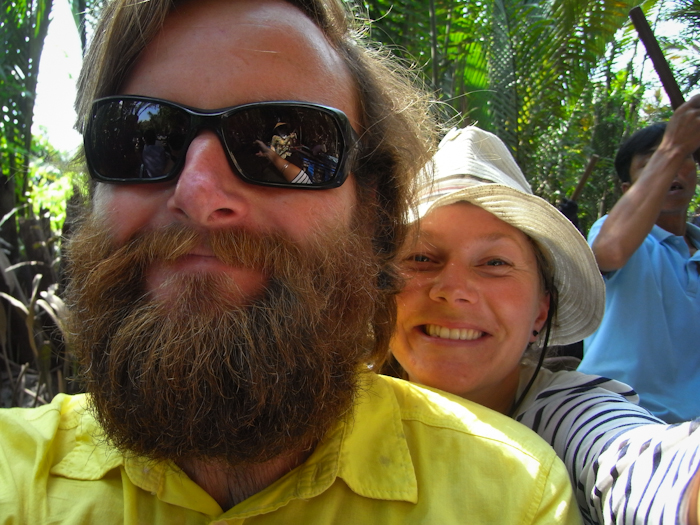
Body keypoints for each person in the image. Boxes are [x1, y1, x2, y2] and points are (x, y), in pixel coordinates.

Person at [0, 1, 581, 523]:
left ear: (372, 215)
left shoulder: (511, 497)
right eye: (142, 136)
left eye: (294, 142)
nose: (198, 194)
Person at [384, 126, 700, 525]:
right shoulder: (339, 402)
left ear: (540, 310)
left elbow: (638, 463)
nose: (454, 290)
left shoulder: (564, 414)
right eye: (421, 258)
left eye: (495, 263)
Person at [578, 97, 700, 423]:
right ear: (628, 189)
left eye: (685, 158)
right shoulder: (612, 233)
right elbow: (610, 252)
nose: (674, 168)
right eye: (653, 162)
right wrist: (674, 146)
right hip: (618, 413)